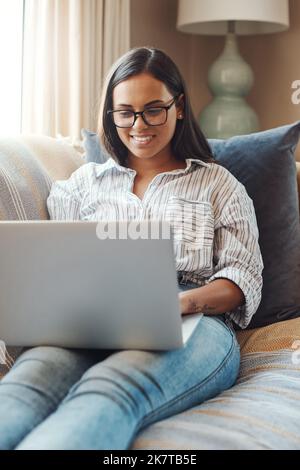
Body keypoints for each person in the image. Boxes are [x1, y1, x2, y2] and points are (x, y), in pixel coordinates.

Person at [0, 47, 263, 450]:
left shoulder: (219, 185)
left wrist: (183, 302)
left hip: (192, 322)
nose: (139, 125)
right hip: (90, 321)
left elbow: (241, 279)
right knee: (24, 385)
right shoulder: (82, 184)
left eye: (153, 109)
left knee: (109, 388)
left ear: (179, 106)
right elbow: (56, 265)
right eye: (125, 112)